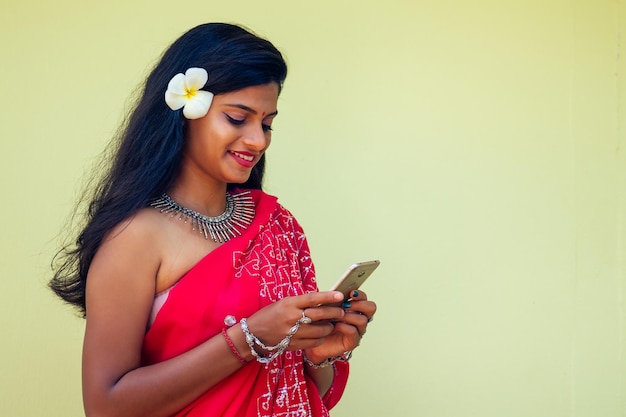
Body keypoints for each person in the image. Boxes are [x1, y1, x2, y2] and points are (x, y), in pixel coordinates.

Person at [49, 22, 377, 417]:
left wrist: (320, 356)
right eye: (238, 119)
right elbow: (106, 407)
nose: (259, 139)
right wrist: (248, 338)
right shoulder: (135, 237)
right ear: (184, 113)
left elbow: (299, 390)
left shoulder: (277, 224)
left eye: (267, 122)